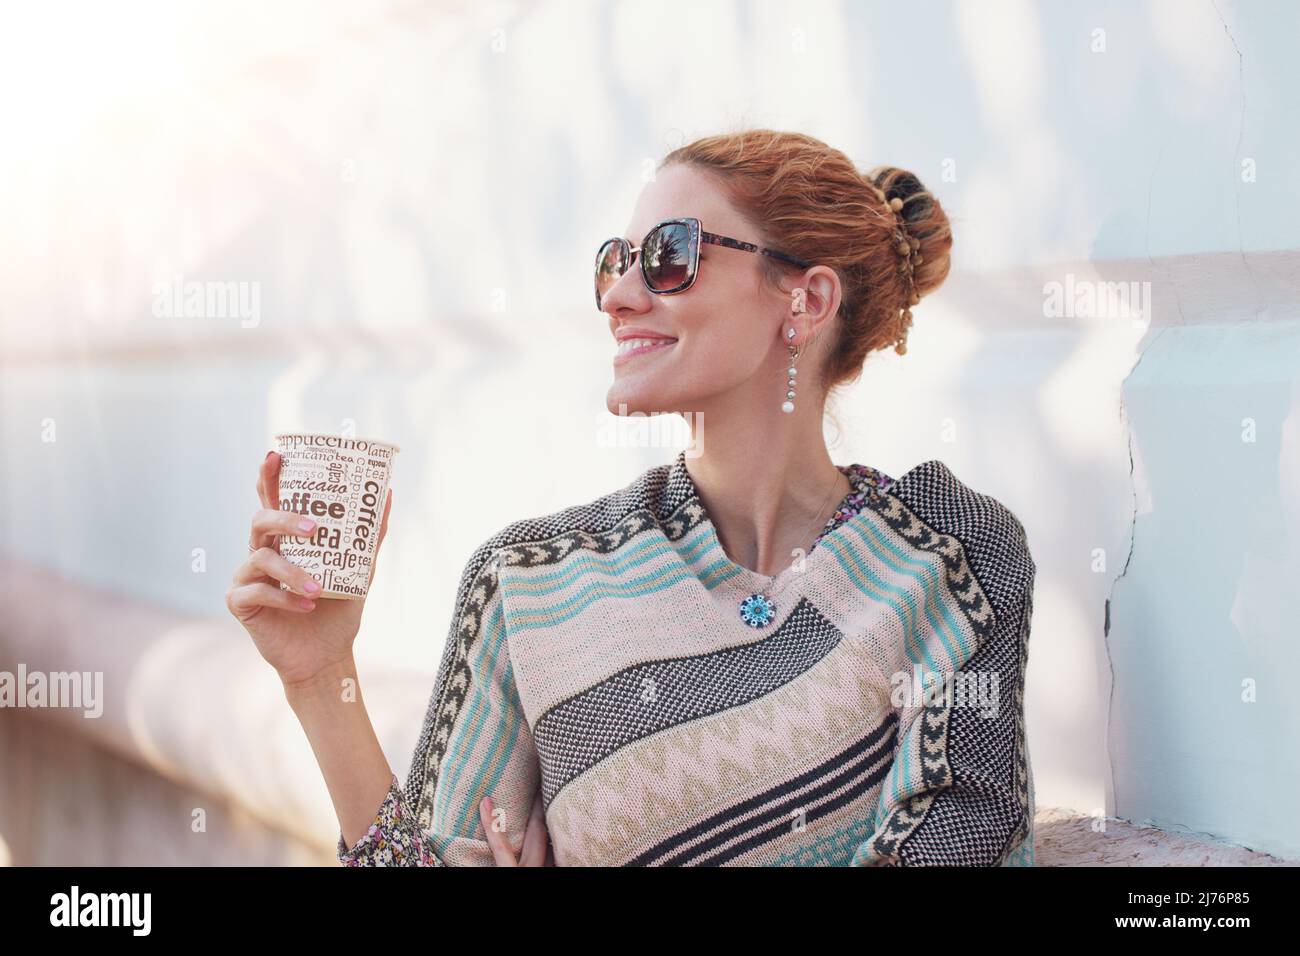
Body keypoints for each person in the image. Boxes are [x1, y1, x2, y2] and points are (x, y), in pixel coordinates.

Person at [227, 128, 1037, 867]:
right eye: (616, 260)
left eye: (670, 256)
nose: (619, 295)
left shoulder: (948, 558)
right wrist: (321, 679)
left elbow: (964, 844)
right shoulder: (530, 583)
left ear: (807, 301)